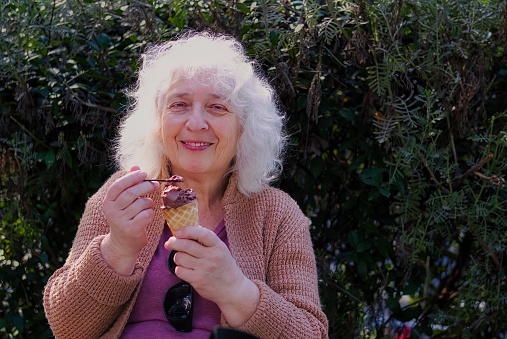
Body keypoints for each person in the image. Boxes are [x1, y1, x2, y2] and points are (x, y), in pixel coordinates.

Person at [43, 31, 328, 339]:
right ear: (157, 121)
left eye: (217, 107)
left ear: (245, 127)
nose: (195, 123)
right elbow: (67, 328)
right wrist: (117, 248)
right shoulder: (124, 196)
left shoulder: (277, 214)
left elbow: (311, 333)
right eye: (179, 104)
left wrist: (237, 291)